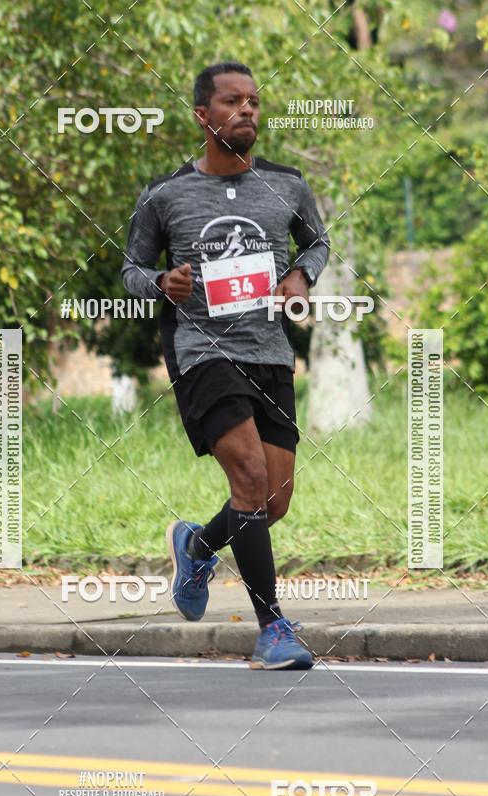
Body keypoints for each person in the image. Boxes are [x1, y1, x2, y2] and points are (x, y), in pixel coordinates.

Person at [122, 61, 330, 669]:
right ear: (203, 116)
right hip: (202, 351)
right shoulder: (166, 194)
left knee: (273, 502)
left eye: (255, 102)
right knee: (248, 480)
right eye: (233, 102)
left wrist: (300, 273)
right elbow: (129, 269)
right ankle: (273, 629)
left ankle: (198, 542)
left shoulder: (287, 185)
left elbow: (316, 242)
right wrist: (162, 281)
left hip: (269, 351)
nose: (247, 111)